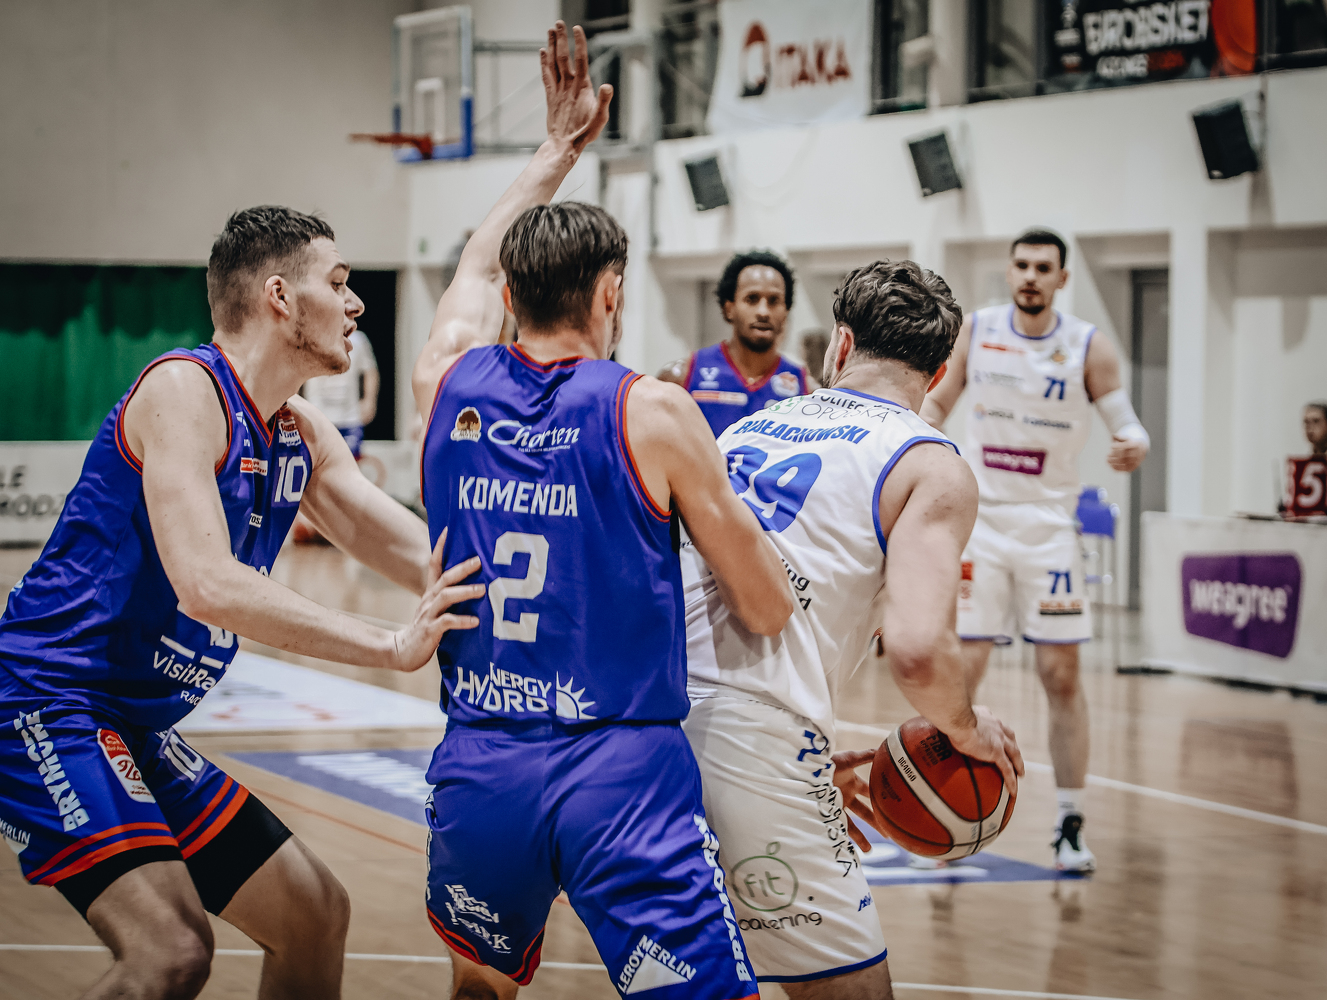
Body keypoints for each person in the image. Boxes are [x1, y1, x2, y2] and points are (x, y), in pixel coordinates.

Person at [0, 206, 483, 1000]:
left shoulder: (299, 434)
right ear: (279, 297)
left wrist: (556, 592)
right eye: (338, 282)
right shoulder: (182, 390)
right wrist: (389, 645)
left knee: (313, 914)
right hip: (48, 703)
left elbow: (424, 558)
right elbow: (209, 584)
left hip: (132, 723)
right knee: (170, 952)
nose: (356, 302)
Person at [410, 23, 793, 1000]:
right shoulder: (653, 410)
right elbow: (764, 605)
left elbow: (469, 271)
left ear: (512, 295)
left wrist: (553, 150)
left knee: (479, 989)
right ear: (610, 291)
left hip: (481, 758)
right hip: (619, 766)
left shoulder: (445, 380)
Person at [681, 260, 1024, 998]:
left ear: (839, 344)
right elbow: (916, 650)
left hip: (636, 723)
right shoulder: (928, 463)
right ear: (938, 374)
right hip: (751, 736)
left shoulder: (741, 429)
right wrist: (965, 729)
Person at [919, 229, 1149, 874]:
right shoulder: (977, 329)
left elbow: (1126, 421)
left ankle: (1069, 822)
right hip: (982, 524)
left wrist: (1135, 442)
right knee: (962, 671)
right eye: (1021, 264)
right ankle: (946, 815)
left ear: (1061, 279)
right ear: (1010, 270)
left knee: (1061, 676)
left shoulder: (1087, 344)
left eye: (1043, 267)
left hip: (1049, 527)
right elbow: (937, 402)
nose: (1030, 275)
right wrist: (915, 435)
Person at [659, 250, 814, 437]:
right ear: (729, 308)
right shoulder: (680, 377)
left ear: (786, 311)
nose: (763, 311)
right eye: (752, 299)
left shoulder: (808, 391)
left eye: (774, 301)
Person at [302, 328, 379, 459]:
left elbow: (369, 371)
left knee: (349, 461)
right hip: (317, 417)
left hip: (349, 418)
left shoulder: (357, 339)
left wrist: (369, 401)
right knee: (317, 464)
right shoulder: (309, 335)